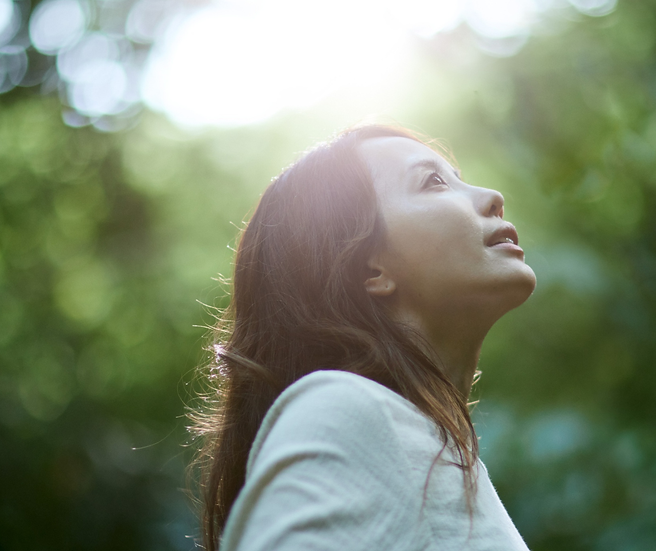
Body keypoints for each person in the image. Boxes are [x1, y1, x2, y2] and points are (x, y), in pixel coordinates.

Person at [191, 124, 537, 550]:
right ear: (371, 269)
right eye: (433, 182)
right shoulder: (345, 411)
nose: (491, 197)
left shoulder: (440, 455)